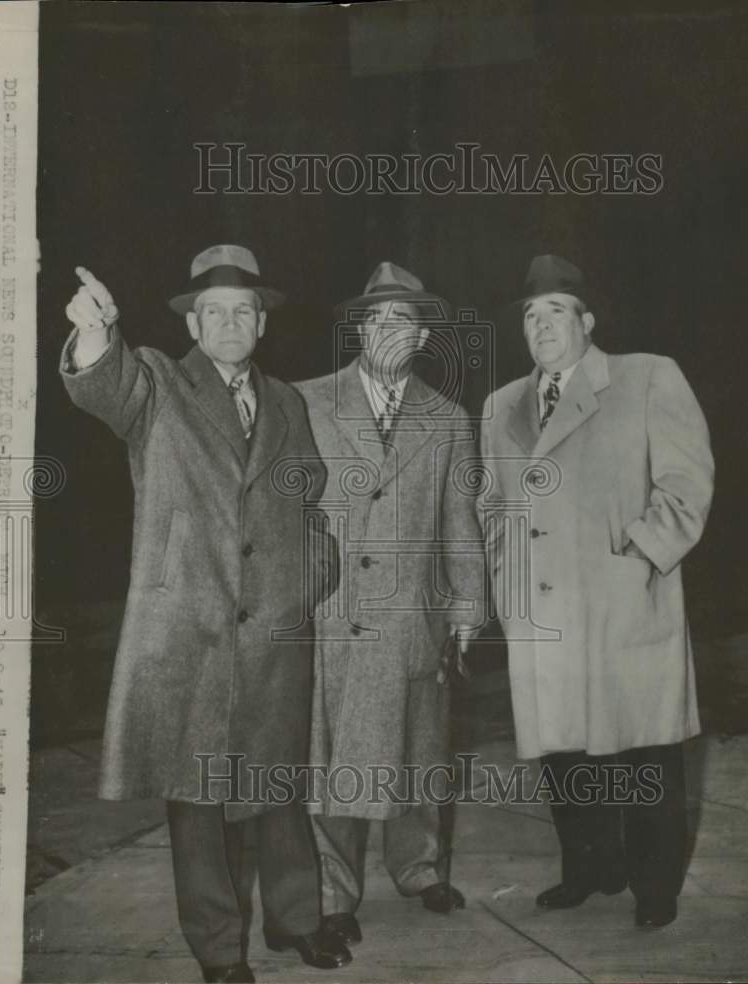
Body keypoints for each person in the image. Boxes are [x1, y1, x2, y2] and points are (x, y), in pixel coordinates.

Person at [60, 244, 350, 983]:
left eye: (242, 310)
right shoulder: (158, 381)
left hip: (275, 634)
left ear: (261, 322)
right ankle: (220, 951)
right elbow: (103, 385)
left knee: (279, 787)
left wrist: (310, 576)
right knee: (197, 798)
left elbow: (306, 497)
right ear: (192, 322)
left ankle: (298, 923)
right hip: (189, 635)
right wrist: (95, 332)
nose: (228, 322)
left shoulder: (286, 400)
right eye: (212, 310)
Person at [477, 253, 714, 929]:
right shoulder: (501, 407)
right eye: (530, 314)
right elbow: (493, 506)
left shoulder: (644, 377)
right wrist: (507, 579)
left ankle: (654, 887)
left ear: (587, 320)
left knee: (643, 751)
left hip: (621, 603)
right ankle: (587, 869)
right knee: (565, 751)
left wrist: (640, 554)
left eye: (556, 311)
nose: (541, 325)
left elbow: (687, 484)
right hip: (543, 613)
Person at [295, 261, 486, 948]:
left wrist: (466, 607)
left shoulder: (449, 419)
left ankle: (418, 868)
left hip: (413, 613)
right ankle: (333, 890)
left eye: (400, 319)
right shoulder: (308, 401)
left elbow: (460, 520)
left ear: (424, 334)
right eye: (374, 319)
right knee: (337, 756)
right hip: (334, 611)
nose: (385, 331)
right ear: (358, 329)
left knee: (417, 748)